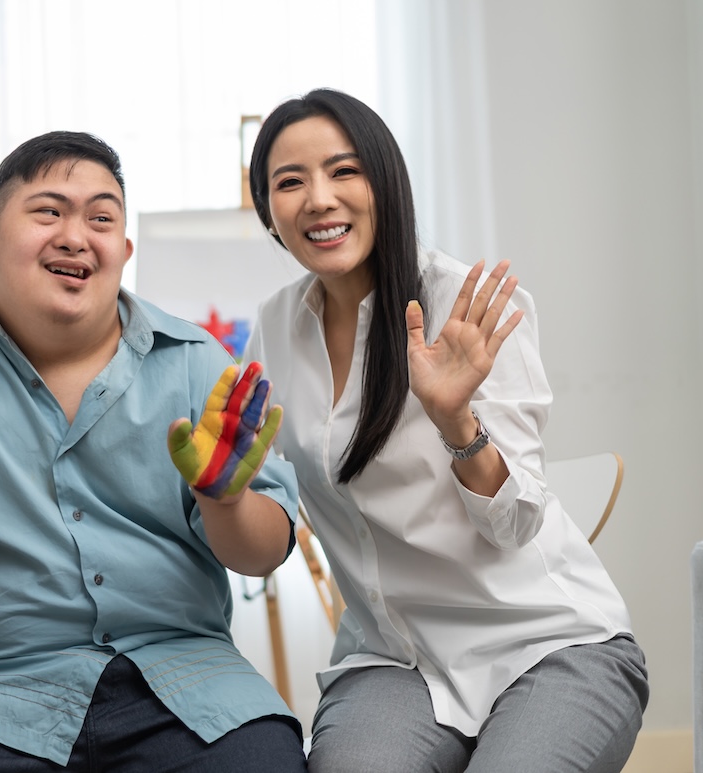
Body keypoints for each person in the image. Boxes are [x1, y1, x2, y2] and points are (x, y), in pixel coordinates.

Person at [0, 131, 309, 772]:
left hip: (189, 684)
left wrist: (227, 499)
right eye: (48, 211)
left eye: (101, 219)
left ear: (123, 250)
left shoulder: (198, 364)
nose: (76, 236)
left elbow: (260, 555)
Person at [241, 88, 649, 773]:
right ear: (270, 210)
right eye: (290, 181)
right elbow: (269, 499)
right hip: (394, 659)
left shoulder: (467, 306)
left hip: (547, 643)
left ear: (386, 182)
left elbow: (515, 524)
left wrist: (455, 419)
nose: (318, 198)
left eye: (344, 171)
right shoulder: (273, 329)